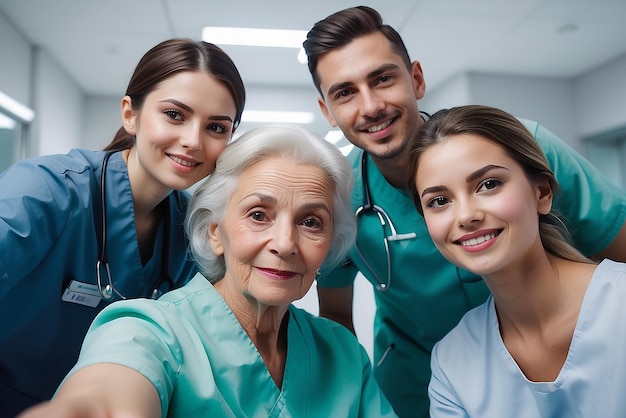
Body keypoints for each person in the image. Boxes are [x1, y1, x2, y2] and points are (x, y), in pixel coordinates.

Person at [302, 6, 626, 417]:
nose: (370, 106)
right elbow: (334, 314)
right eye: (345, 92)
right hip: (421, 382)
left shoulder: (522, 148)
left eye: (383, 78)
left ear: (416, 79)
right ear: (327, 111)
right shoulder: (339, 198)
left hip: (579, 357)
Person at [18, 124, 397, 418]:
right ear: (216, 233)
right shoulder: (148, 329)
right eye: (258, 215)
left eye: (311, 222)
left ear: (331, 242)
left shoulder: (343, 354)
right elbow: (107, 390)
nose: (285, 243)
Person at [0, 38, 246, 416]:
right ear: (130, 114)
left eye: (216, 127)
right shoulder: (44, 192)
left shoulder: (193, 233)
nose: (193, 141)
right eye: (175, 115)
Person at [407, 104, 626, 417]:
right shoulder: (451, 362)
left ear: (542, 193)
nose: (467, 216)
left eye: (489, 184)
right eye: (439, 201)